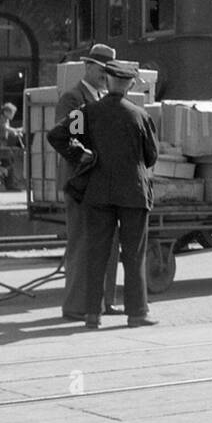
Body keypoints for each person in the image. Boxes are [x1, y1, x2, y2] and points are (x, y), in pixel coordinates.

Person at [50, 59, 158, 329]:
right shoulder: (140, 115)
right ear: (131, 84)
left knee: (96, 252)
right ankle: (137, 314)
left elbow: (58, 135)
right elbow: (151, 156)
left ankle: (92, 315)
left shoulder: (87, 111)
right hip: (133, 194)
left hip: (98, 193)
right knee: (134, 254)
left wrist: (82, 154)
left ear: (108, 81)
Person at [49, 44, 120, 320]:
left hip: (102, 183)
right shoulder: (73, 99)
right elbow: (63, 137)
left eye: (109, 71)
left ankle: (104, 302)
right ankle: (75, 306)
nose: (105, 75)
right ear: (88, 67)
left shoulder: (104, 97)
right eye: (101, 69)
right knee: (81, 243)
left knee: (108, 242)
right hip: (80, 183)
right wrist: (86, 155)